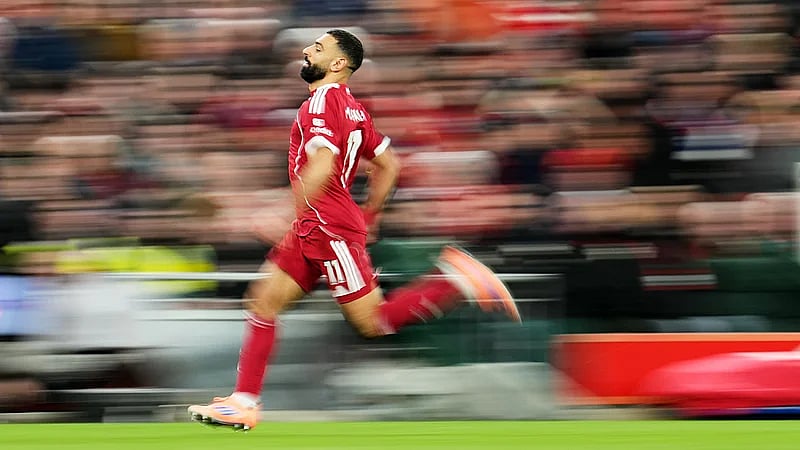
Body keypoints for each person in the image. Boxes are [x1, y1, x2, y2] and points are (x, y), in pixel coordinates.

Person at [187, 29, 520, 431]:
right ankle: (243, 402)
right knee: (262, 303)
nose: (307, 50)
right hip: (317, 225)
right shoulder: (354, 109)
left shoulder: (319, 105)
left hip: (327, 228)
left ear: (339, 63)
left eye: (319, 47)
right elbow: (389, 165)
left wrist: (281, 204)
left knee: (372, 322)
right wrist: (370, 215)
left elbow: (324, 164)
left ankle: (452, 280)